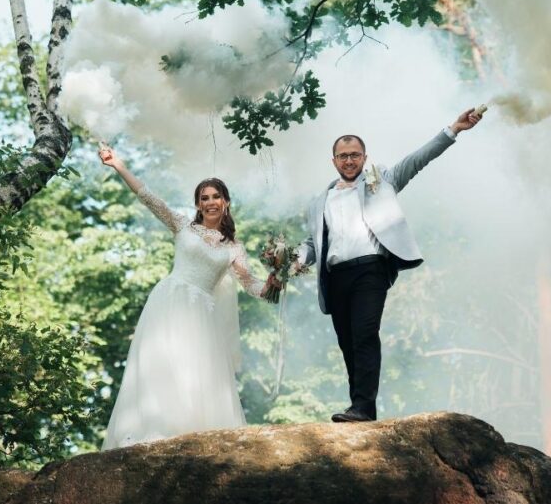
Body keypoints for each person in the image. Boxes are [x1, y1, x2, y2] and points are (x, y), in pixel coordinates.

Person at [298, 107, 484, 423]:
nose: (349, 161)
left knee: (365, 334)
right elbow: (313, 244)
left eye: (354, 155)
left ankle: (363, 406)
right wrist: (290, 261)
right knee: (347, 343)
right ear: (334, 161)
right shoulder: (320, 201)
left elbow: (417, 160)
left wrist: (453, 129)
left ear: (364, 157)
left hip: (370, 270)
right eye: (342, 156)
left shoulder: (381, 180)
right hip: (335, 275)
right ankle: (359, 409)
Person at [98, 145, 274, 449]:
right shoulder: (182, 226)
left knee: (195, 375)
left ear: (226, 202)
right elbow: (148, 197)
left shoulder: (234, 249)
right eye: (204, 198)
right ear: (197, 204)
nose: (210, 202)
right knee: (163, 364)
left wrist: (276, 280)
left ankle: (193, 439)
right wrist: (119, 165)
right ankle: (151, 431)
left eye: (215, 197)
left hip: (202, 317)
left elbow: (252, 285)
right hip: (168, 303)